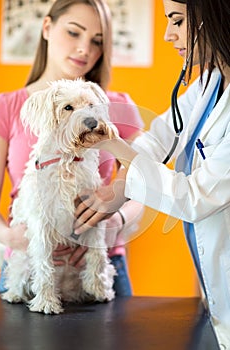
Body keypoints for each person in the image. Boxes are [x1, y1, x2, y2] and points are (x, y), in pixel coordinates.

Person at [74, 0, 230, 347]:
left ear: (214, 18)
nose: (167, 34)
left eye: (177, 21)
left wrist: (115, 147)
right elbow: (161, 135)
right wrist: (120, 185)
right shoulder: (209, 84)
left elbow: (194, 198)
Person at [0, 0, 144, 297]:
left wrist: (116, 221)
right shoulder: (6, 107)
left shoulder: (118, 106)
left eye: (97, 41)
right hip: (31, 269)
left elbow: (148, 183)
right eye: (74, 33)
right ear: (48, 27)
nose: (84, 49)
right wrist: (13, 238)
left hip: (100, 268)